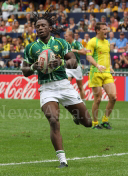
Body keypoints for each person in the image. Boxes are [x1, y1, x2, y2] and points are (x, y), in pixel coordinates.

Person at [21, 7, 92, 169]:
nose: (39, 28)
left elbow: (73, 62)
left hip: (64, 85)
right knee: (53, 120)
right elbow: (24, 71)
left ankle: (76, 116)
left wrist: (60, 62)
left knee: (87, 122)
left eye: (43, 25)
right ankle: (62, 160)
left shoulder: (61, 43)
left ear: (50, 28)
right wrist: (33, 66)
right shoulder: (30, 48)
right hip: (47, 88)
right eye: (37, 26)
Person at [86, 22, 116, 129]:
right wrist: (97, 65)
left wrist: (111, 66)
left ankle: (105, 120)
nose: (106, 31)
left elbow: (107, 56)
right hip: (96, 73)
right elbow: (89, 57)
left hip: (107, 73)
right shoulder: (92, 42)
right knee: (98, 99)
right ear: (97, 31)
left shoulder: (107, 42)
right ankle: (95, 123)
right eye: (103, 29)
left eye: (106, 29)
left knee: (113, 97)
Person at [65, 31, 89, 104]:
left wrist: (74, 50)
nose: (65, 38)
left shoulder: (76, 43)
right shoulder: (66, 44)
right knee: (66, 84)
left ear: (70, 36)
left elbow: (84, 52)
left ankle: (83, 101)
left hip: (76, 67)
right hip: (68, 67)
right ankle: (71, 101)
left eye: (66, 36)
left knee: (80, 86)